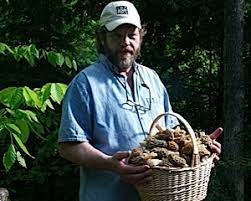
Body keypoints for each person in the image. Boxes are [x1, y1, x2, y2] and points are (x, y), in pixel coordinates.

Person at [58, 1, 223, 201]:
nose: (125, 42)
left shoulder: (152, 79)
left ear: (140, 37)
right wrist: (110, 163)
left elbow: (171, 136)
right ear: (102, 38)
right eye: (117, 35)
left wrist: (201, 149)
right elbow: (69, 146)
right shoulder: (85, 84)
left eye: (131, 35)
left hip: (159, 195)